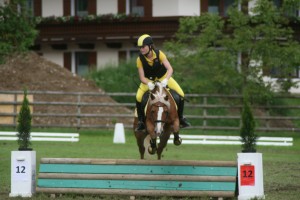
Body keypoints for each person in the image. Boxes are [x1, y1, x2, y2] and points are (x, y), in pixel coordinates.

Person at [135, 34, 191, 131]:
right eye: (140, 47)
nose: (141, 49)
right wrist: (148, 83)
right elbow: (142, 77)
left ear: (150, 46)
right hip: (149, 81)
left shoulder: (159, 53)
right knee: (138, 97)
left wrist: (166, 80)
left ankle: (181, 118)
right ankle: (141, 121)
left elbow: (170, 69)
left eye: (143, 47)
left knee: (181, 94)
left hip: (163, 78)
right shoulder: (139, 59)